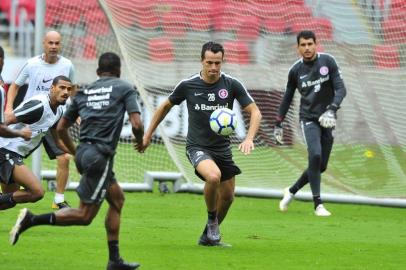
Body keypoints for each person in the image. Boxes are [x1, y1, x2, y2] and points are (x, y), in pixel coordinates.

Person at [10, 52, 144, 270]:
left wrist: (77, 151)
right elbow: (137, 125)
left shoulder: (84, 92)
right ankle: (31, 220)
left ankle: (114, 260)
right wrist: (141, 142)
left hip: (86, 154)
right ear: (119, 71)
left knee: (117, 200)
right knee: (84, 216)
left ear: (98, 72)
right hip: (100, 156)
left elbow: (61, 127)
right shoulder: (124, 87)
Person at [140, 41, 262, 246]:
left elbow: (255, 112)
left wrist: (249, 138)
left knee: (229, 197)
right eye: (209, 63)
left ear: (222, 61)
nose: (214, 68)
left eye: (218, 63)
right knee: (213, 177)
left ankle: (207, 236)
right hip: (197, 147)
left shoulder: (231, 84)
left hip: (222, 149)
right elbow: (164, 107)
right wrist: (148, 134)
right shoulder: (188, 85)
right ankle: (212, 219)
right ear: (201, 61)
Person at [274, 30, 347, 216]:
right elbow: (287, 97)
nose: (307, 48)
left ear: (316, 44)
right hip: (308, 119)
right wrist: (278, 122)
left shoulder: (328, 62)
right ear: (297, 47)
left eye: (310, 44)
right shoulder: (295, 71)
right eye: (303, 45)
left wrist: (332, 108)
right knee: (314, 155)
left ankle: (291, 191)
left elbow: (340, 89)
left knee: (321, 166)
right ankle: (318, 204)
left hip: (328, 119)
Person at [6, 30, 75, 209]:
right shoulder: (32, 64)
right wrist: (8, 109)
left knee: (64, 156)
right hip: (29, 118)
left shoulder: (68, 65)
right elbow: (15, 85)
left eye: (57, 43)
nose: (53, 46)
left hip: (50, 119)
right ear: (44, 43)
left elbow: (71, 90)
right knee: (22, 193)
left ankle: (59, 200)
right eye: (50, 43)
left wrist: (76, 114)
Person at [0, 76, 72, 210]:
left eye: (69, 89)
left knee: (8, 200)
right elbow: (6, 120)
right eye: (62, 87)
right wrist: (20, 133)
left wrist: (75, 153)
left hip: (13, 153)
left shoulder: (59, 110)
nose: (66, 92)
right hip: (5, 150)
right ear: (52, 88)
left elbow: (57, 140)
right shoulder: (38, 105)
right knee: (37, 192)